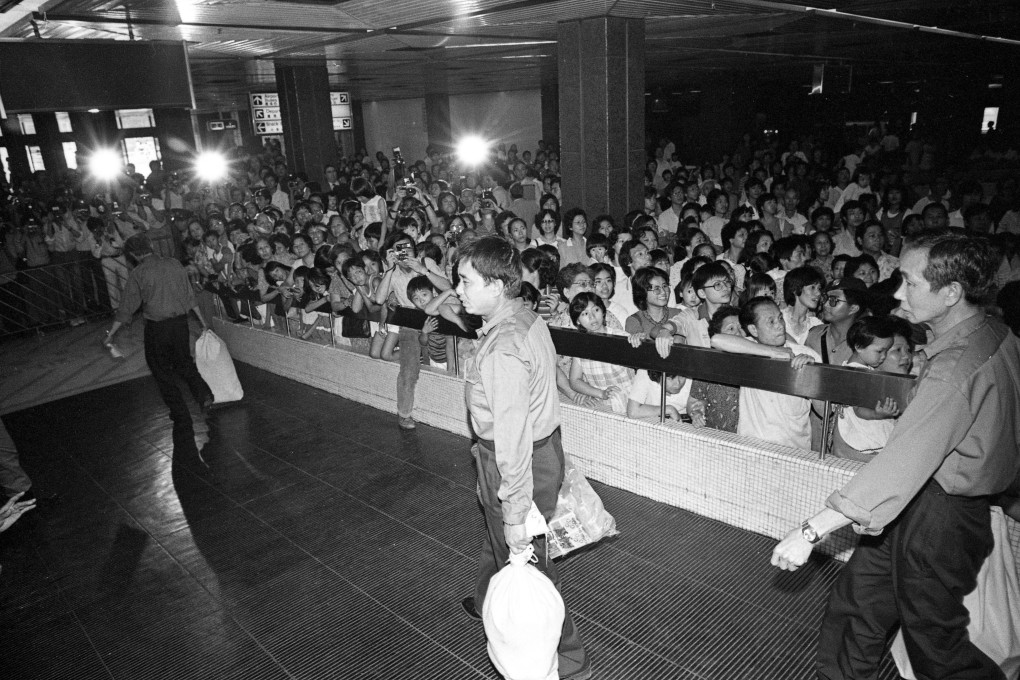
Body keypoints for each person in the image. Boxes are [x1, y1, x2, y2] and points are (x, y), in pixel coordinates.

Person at [771, 231, 1020, 680]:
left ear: (951, 293)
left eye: (909, 282)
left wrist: (811, 531)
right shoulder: (995, 333)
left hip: (940, 513)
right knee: (859, 601)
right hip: (919, 503)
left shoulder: (956, 367)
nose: (898, 292)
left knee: (933, 640)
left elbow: (905, 460)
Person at [455, 237, 590, 680]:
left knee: (529, 561)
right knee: (499, 537)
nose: (458, 289)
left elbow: (511, 438)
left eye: (465, 280)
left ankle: (568, 663)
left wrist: (515, 509)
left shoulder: (503, 348)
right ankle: (484, 598)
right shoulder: (524, 318)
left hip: (517, 458)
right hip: (540, 450)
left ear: (495, 285)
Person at [103, 234, 214, 453]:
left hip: (158, 328)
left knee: (160, 369)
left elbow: (127, 308)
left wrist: (111, 334)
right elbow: (189, 296)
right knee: (184, 361)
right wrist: (202, 323)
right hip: (180, 324)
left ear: (134, 254)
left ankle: (179, 411)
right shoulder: (174, 263)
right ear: (151, 246)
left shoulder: (138, 273)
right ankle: (203, 394)